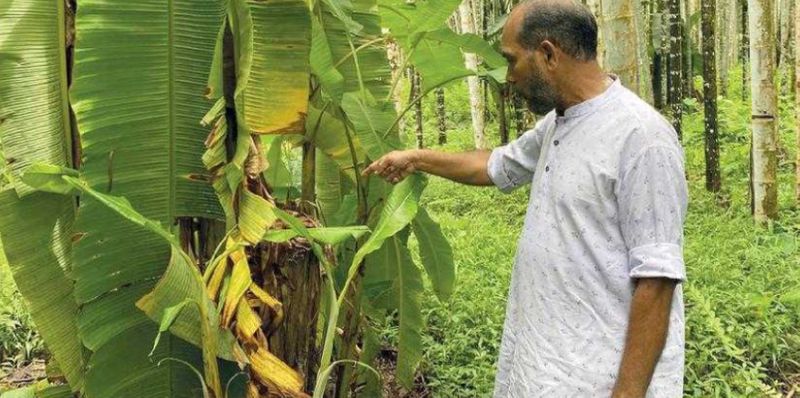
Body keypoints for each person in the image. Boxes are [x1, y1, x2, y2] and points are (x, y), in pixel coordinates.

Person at [362, 0, 688, 396]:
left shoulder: (641, 137)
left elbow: (657, 280)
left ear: (548, 54)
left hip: (596, 378)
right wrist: (416, 158)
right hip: (544, 364)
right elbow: (495, 166)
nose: (507, 76)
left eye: (512, 60)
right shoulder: (558, 122)